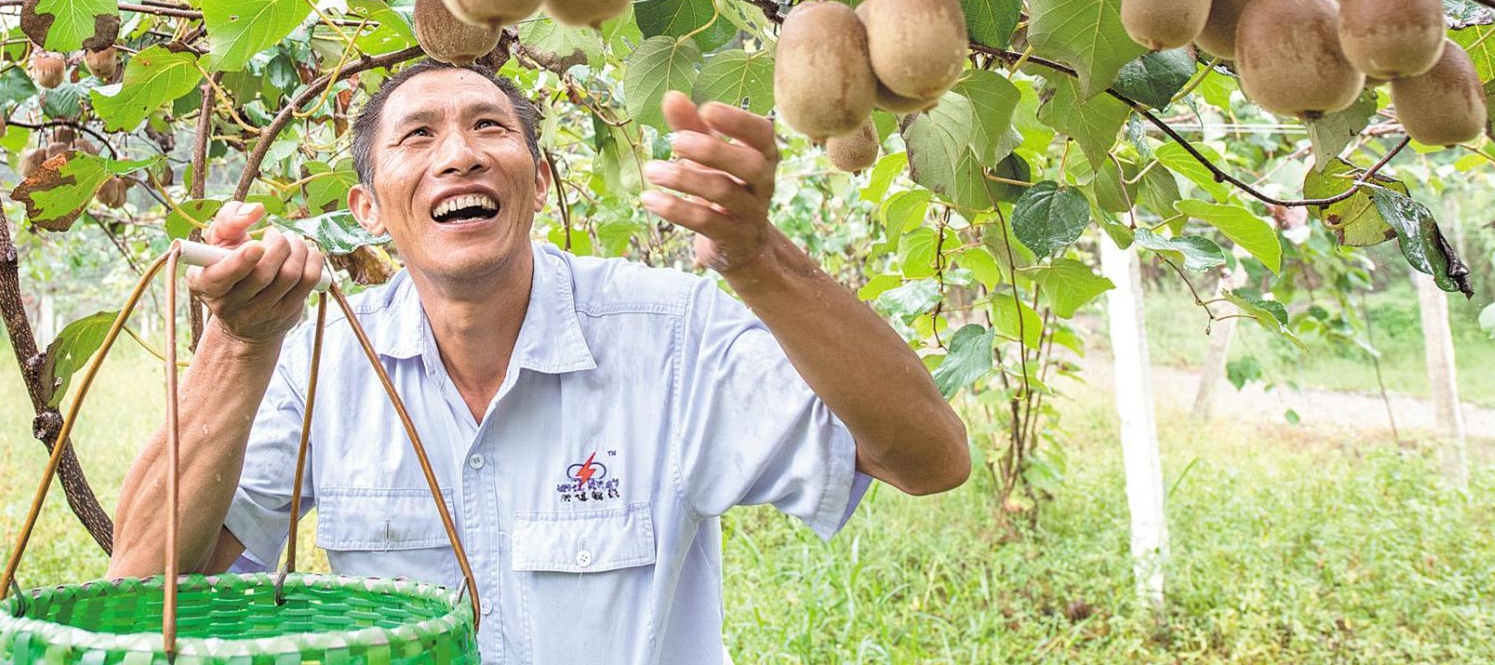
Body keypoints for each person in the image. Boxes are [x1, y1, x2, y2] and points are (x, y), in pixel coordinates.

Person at [108, 60, 970, 663]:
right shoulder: (326, 361)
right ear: (370, 209)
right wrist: (238, 343)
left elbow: (930, 459)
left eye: (490, 127)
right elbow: (141, 582)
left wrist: (756, 259)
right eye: (418, 136)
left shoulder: (668, 335)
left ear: (539, 182)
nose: (461, 153)